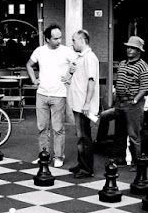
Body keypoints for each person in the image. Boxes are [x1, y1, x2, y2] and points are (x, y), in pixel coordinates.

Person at [26, 24, 76, 168]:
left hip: (58, 94)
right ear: (47, 39)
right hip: (42, 93)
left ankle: (59, 156)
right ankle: (44, 155)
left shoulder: (67, 51)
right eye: (55, 38)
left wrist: (69, 76)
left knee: (58, 128)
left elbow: (77, 63)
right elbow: (29, 65)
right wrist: (34, 79)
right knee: (42, 127)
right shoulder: (39, 51)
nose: (59, 41)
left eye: (60, 37)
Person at [112, 36, 148, 168]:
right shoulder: (122, 64)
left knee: (134, 134)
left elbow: (145, 87)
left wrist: (135, 100)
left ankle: (137, 161)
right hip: (120, 102)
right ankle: (120, 158)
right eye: (128, 47)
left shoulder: (143, 66)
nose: (129, 50)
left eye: (133, 48)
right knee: (119, 133)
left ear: (139, 51)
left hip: (133, 104)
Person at [65, 30, 99, 178]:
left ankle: (87, 168)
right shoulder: (80, 57)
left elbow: (92, 81)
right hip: (78, 103)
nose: (72, 43)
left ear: (82, 40)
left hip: (83, 105)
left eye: (74, 40)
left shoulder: (90, 57)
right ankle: (81, 164)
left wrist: (87, 103)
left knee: (84, 136)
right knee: (80, 135)